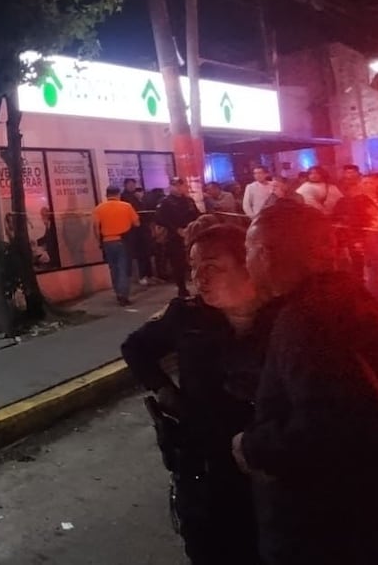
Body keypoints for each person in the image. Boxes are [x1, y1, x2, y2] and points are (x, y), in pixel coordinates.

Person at [232, 201, 378, 565]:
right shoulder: (346, 297)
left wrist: (251, 446)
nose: (246, 259)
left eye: (248, 249)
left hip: (322, 523)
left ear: (265, 254)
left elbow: (327, 426)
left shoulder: (304, 320)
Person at [122, 224, 273, 565]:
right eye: (194, 269)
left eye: (212, 267)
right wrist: (164, 390)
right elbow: (136, 348)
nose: (199, 279)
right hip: (204, 470)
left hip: (269, 472)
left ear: (248, 263)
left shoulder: (285, 319)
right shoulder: (187, 316)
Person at [93, 185, 140, 306]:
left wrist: (100, 242)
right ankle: (123, 295)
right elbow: (137, 223)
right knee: (123, 268)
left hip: (107, 242)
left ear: (106, 195)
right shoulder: (126, 206)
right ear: (118, 194)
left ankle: (118, 292)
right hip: (123, 241)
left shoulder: (99, 208)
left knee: (113, 269)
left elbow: (96, 228)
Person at [156, 177, 201, 297]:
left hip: (191, 235)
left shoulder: (189, 201)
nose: (178, 187)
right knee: (178, 264)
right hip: (174, 238)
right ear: (171, 187)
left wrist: (192, 228)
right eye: (175, 185)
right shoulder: (165, 202)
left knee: (194, 262)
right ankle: (182, 288)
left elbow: (196, 215)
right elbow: (161, 219)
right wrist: (176, 229)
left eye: (180, 185)